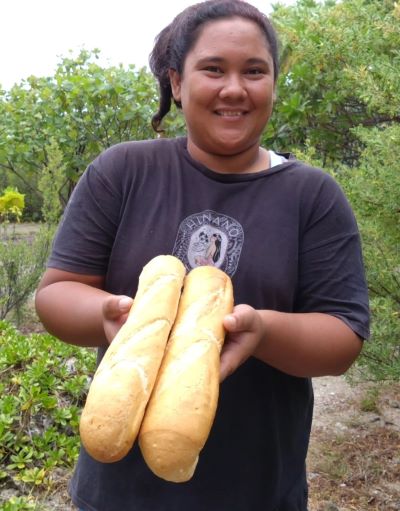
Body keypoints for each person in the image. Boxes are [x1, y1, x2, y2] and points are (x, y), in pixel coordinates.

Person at [35, 0, 370, 509]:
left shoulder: (312, 196)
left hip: (257, 490)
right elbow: (57, 293)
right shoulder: (123, 171)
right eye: (213, 69)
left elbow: (343, 337)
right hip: (118, 493)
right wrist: (107, 315)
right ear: (176, 81)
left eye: (254, 71)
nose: (234, 88)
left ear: (273, 85)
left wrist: (262, 332)